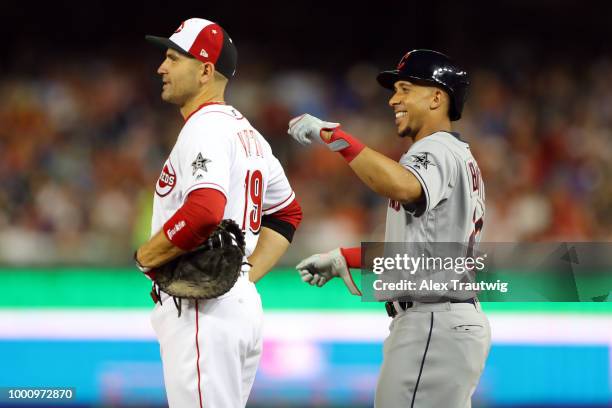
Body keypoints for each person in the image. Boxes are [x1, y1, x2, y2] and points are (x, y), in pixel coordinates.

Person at [288, 49, 490, 408]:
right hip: (443, 320)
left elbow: (402, 187)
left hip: (432, 319)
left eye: (404, 88)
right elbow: (422, 253)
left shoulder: (437, 149)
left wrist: (334, 137)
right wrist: (345, 258)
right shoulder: (456, 155)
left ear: (436, 97)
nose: (393, 99)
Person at [135, 18, 302, 408]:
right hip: (235, 304)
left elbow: (204, 210)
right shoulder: (248, 134)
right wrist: (244, 276)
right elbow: (287, 213)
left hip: (203, 308)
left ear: (206, 70)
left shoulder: (205, 127)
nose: (162, 67)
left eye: (174, 58)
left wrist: (147, 257)